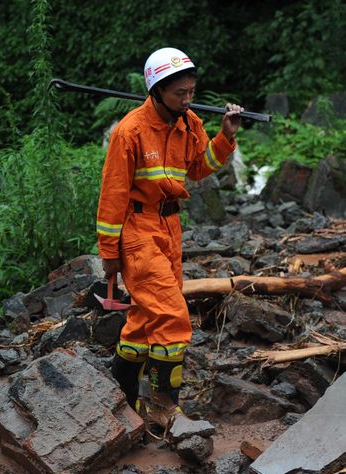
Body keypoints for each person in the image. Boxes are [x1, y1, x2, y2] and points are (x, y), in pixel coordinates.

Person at [97, 48, 243, 436]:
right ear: (157, 89)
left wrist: (225, 138)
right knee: (173, 318)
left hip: (170, 229)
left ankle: (121, 398)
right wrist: (109, 253)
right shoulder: (129, 132)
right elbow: (112, 193)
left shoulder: (189, 122)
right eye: (180, 93)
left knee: (146, 320)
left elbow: (197, 169)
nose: (188, 99)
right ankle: (163, 409)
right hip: (138, 231)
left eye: (192, 91)